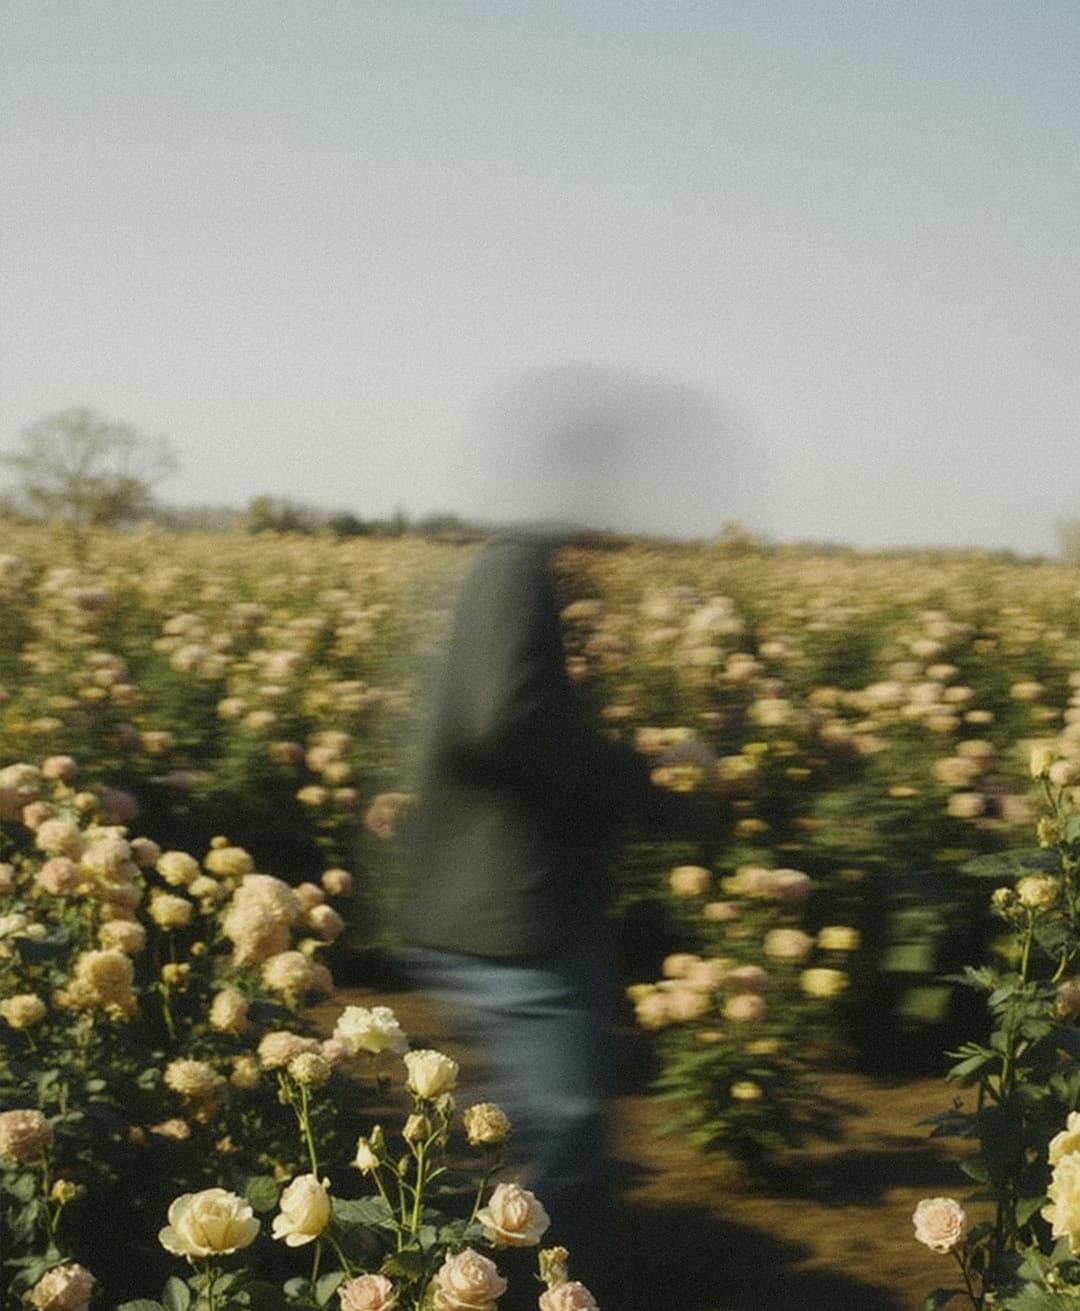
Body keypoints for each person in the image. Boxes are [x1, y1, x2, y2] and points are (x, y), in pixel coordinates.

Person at [388, 521, 713, 1298]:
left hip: (508, 906)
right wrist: (645, 774)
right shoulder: (517, 564)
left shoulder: (522, 568)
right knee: (564, 1155)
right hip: (511, 913)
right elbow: (504, 720)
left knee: (531, 1142)